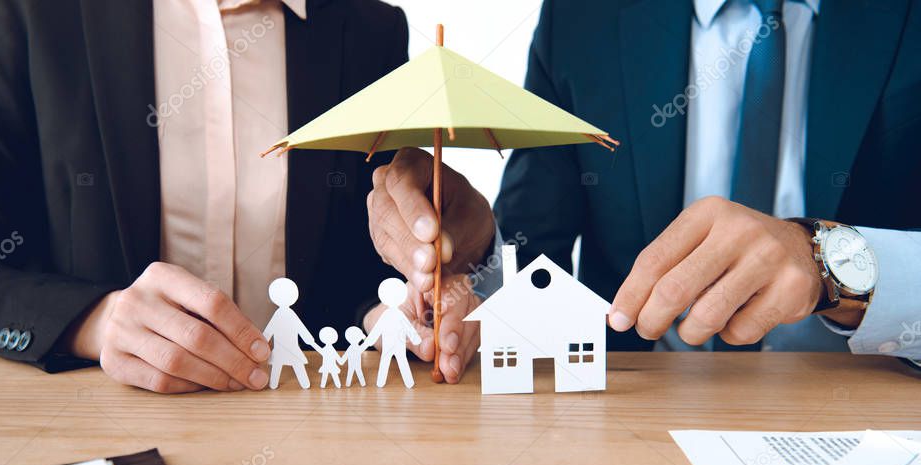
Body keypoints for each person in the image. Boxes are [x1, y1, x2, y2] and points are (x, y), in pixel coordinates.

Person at [366, 0, 921, 382]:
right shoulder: (584, 19)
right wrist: (473, 258)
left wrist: (831, 264)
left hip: (864, 404)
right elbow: (536, 255)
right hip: (635, 400)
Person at [0, 0, 407, 393]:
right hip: (98, 429)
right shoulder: (24, 11)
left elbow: (363, 270)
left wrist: (401, 308)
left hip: (307, 428)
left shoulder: (371, 31)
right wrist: (95, 321)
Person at [363, 278, 421, 388]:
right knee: (388, 361)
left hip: (398, 344)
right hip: (390, 344)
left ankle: (407, 382)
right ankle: (383, 382)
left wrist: (415, 338)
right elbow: (378, 328)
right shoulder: (389, 314)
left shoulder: (397, 315)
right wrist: (370, 340)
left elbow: (407, 327)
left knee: (394, 361)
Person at [263, 278, 318, 390]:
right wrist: (263, 340)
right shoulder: (280, 314)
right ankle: (274, 384)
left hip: (291, 347)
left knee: (294, 364)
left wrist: (309, 339)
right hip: (281, 348)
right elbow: (270, 329)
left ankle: (304, 384)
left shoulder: (288, 314)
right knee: (279, 365)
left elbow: (300, 328)